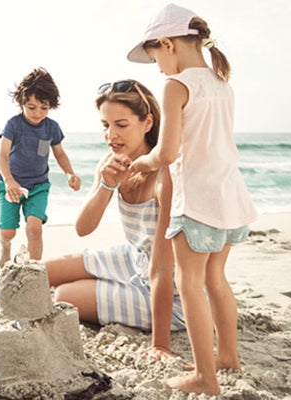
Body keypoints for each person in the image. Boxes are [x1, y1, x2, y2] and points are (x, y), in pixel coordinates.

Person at [126, 4, 258, 395]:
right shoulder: (221, 82)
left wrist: (141, 164)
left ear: (167, 43)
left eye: (155, 59)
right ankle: (228, 357)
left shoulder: (176, 86)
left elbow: (167, 153)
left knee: (190, 284)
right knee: (217, 279)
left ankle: (205, 377)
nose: (159, 69)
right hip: (230, 197)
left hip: (197, 201)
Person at [45, 79, 187, 363]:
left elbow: (163, 266)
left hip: (171, 291)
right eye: (105, 125)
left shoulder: (165, 176)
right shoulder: (111, 162)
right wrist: (107, 185)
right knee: (49, 270)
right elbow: (83, 228)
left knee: (64, 295)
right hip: (133, 258)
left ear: (147, 123)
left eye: (121, 125)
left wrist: (160, 345)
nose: (111, 135)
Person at [0, 67, 81, 267]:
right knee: (9, 231)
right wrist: (9, 180)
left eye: (44, 108)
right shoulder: (14, 125)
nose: (38, 113)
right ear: (22, 103)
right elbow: (2, 155)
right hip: (12, 185)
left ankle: (33, 270)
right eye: (32, 107)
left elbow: (59, 153)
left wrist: (70, 173)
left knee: (34, 228)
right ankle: (5, 248)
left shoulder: (51, 127)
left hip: (38, 186)